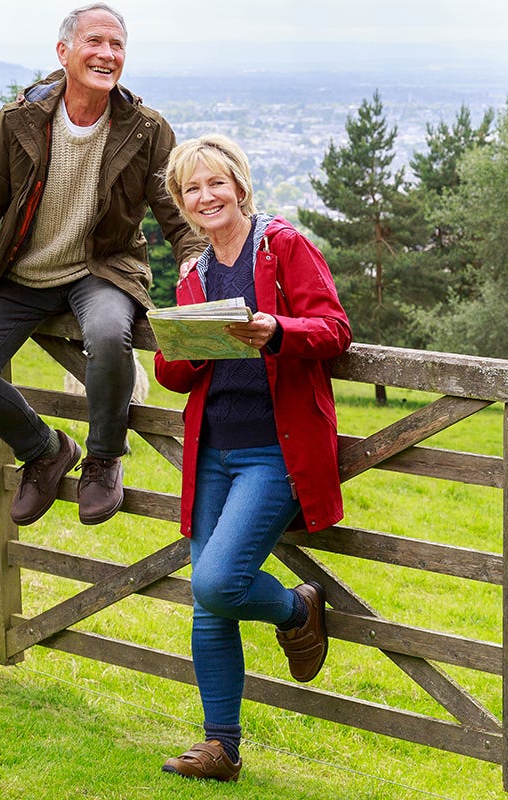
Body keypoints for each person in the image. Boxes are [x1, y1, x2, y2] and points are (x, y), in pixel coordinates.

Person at [0, 3, 203, 526]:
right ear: (64, 52)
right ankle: (45, 451)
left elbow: (178, 216)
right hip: (21, 274)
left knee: (107, 336)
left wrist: (199, 272)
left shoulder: (145, 129)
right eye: (94, 42)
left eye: (116, 45)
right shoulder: (16, 123)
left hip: (103, 269)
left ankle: (104, 459)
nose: (106, 54)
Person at [154, 134, 352, 782]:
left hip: (275, 454)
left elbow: (334, 329)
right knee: (206, 603)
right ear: (183, 204)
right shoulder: (194, 274)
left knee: (217, 582)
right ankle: (221, 749)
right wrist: (186, 347)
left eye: (216, 183)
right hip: (211, 452)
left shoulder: (283, 246)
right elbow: (174, 373)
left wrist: (277, 332)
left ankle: (299, 609)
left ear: (239, 185)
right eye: (192, 189)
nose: (206, 197)